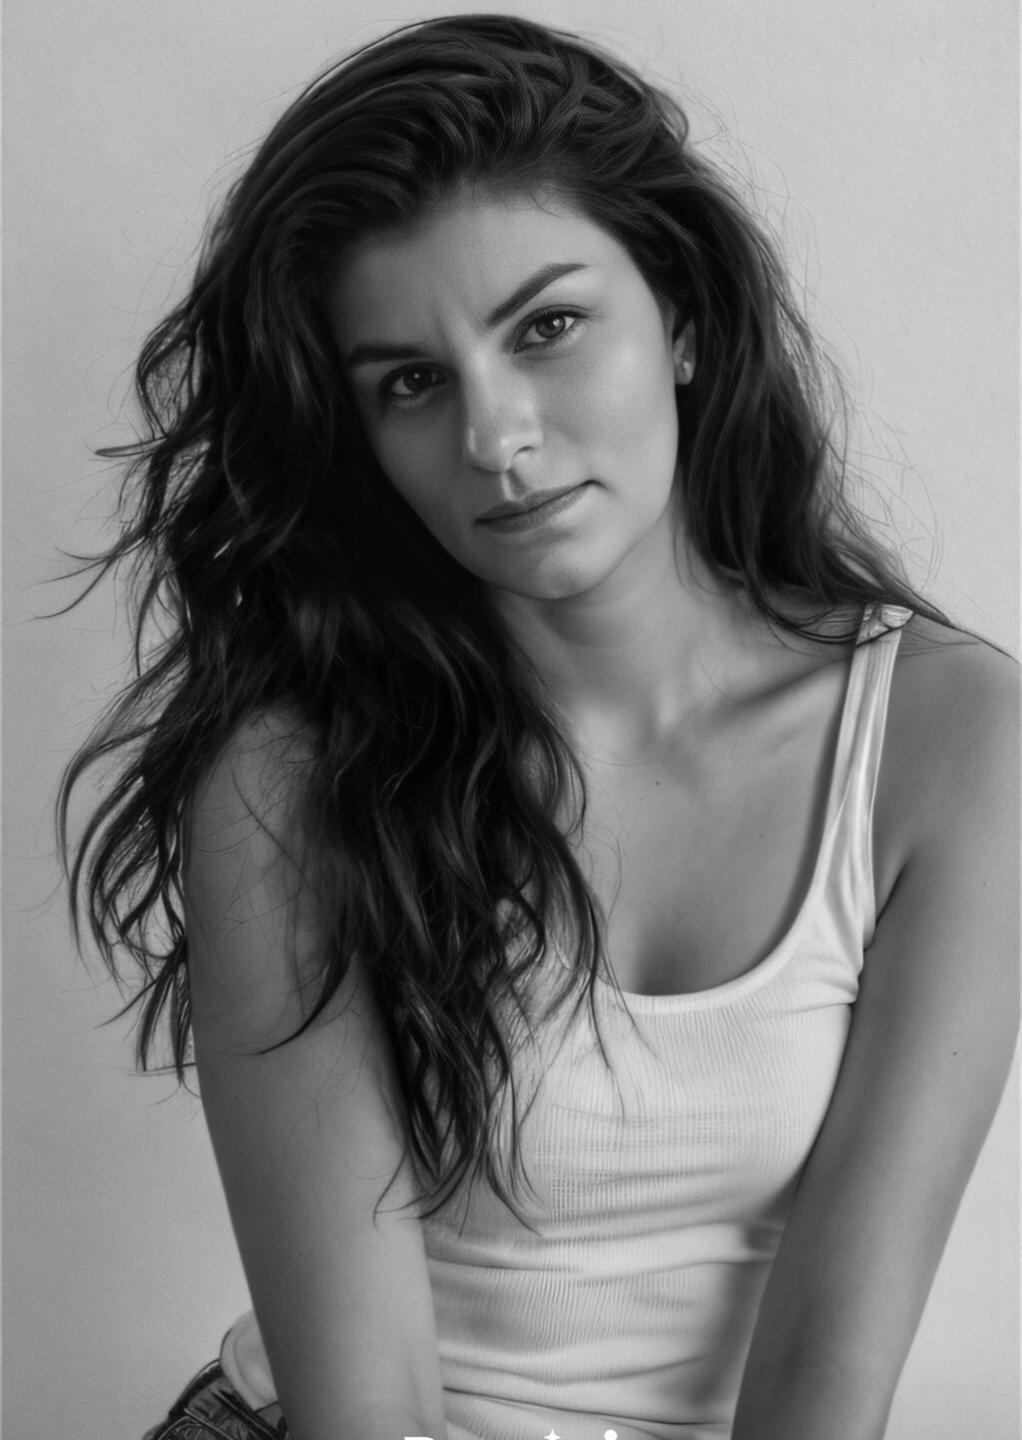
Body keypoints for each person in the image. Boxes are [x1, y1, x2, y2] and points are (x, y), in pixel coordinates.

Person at [59, 14, 1018, 1440]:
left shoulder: (949, 736)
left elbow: (826, 1378)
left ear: (682, 319)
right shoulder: (290, 776)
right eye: (410, 381)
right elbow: (365, 1408)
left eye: (548, 328)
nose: (496, 437)